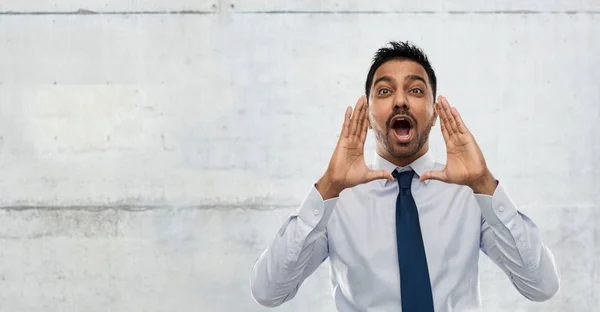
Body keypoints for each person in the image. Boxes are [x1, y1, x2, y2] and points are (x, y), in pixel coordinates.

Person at [249, 41, 560, 312]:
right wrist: (328, 187)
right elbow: (268, 292)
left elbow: (541, 286)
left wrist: (484, 184)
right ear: (367, 114)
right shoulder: (336, 201)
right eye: (384, 91)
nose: (400, 101)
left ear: (435, 111)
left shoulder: (469, 194)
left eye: (415, 90)